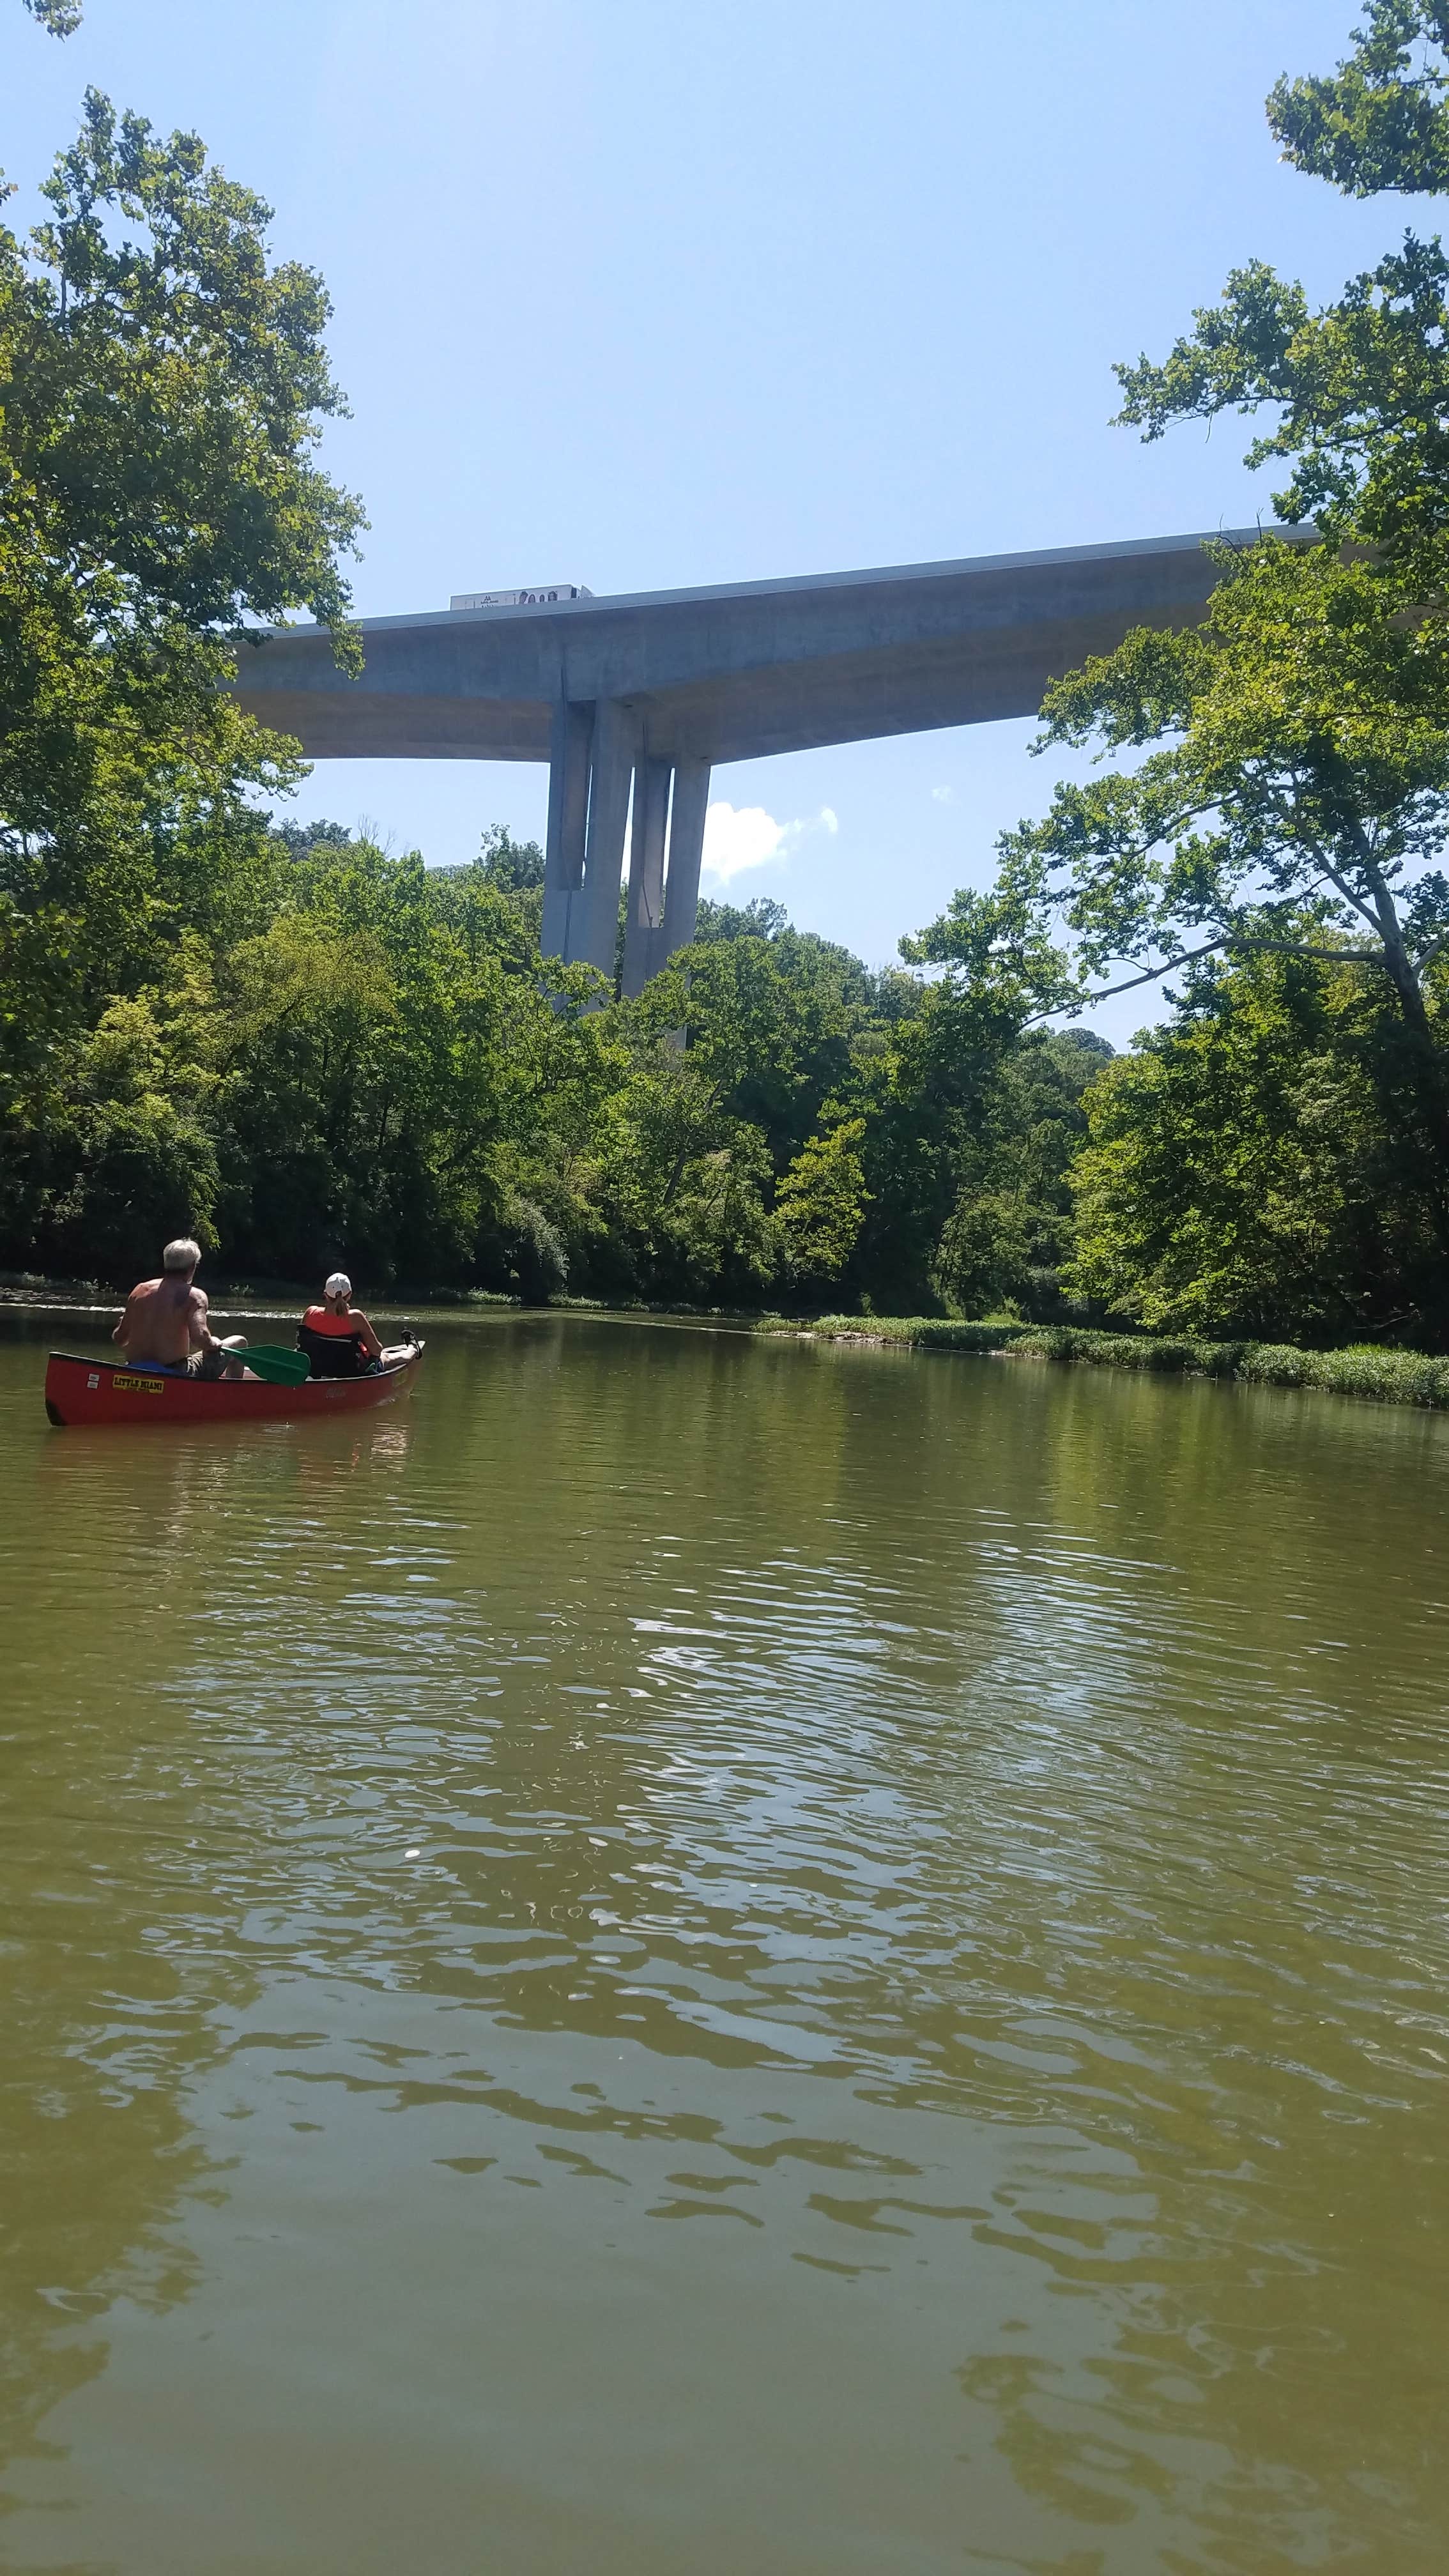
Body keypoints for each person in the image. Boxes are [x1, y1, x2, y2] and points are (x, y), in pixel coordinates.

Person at [114, 1239, 252, 1379]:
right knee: (239, 1342)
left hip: (134, 1369)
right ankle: (229, 1398)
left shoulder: (140, 1290)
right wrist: (214, 1343)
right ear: (193, 1267)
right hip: (175, 1373)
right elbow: (200, 1339)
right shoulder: (194, 1296)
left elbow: (119, 1338)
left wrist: (122, 1325)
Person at [296, 1273, 417, 1379]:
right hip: (351, 1373)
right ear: (350, 1295)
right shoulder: (356, 1317)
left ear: (325, 1295)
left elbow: (301, 1346)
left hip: (316, 1370)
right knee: (385, 1357)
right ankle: (413, 1349)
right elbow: (376, 1350)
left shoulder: (310, 1312)